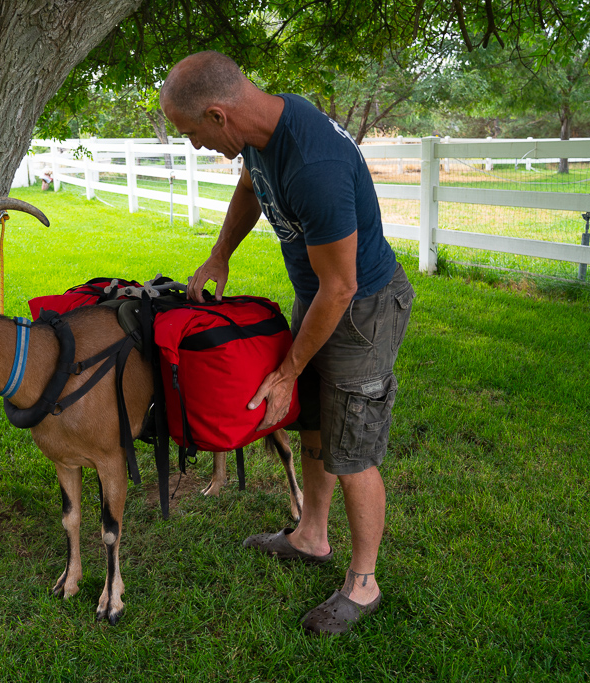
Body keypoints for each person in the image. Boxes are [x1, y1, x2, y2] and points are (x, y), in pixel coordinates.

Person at [160, 51, 416, 635]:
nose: (195, 144)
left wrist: (288, 370)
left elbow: (343, 284)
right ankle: (312, 535)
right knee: (316, 428)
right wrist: (220, 252)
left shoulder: (314, 164)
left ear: (219, 116)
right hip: (322, 297)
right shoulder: (261, 131)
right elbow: (252, 186)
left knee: (353, 447)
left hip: (361, 306)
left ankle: (364, 583)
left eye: (192, 132)